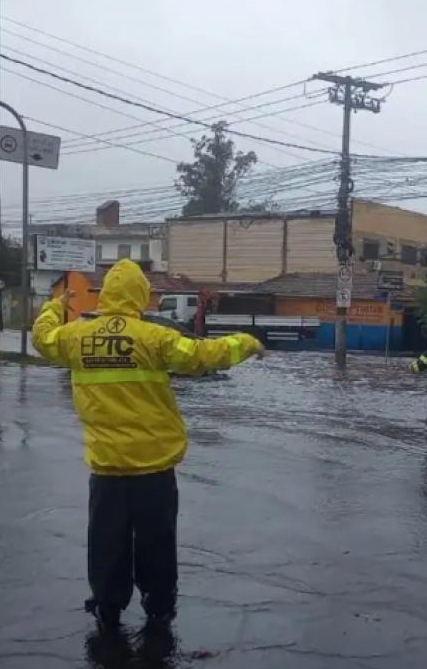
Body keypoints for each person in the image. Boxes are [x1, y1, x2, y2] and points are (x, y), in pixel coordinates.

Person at [33, 259, 264, 630]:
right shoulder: (153, 337)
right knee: (157, 543)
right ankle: (159, 608)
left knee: (107, 543)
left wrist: (54, 306)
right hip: (154, 469)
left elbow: (42, 338)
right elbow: (204, 356)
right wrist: (245, 342)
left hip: (107, 469)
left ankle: (107, 608)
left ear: (106, 294)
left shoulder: (76, 337)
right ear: (140, 295)